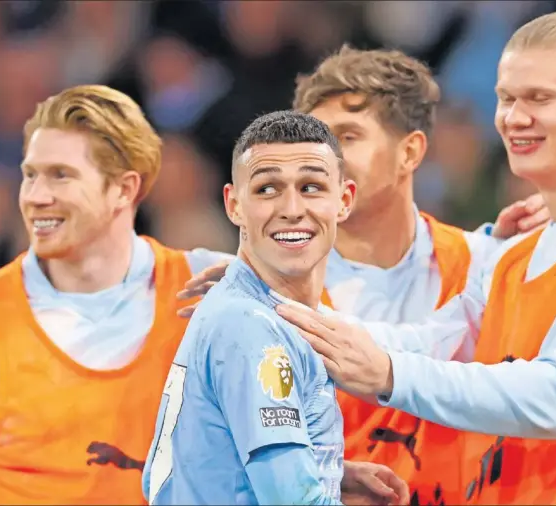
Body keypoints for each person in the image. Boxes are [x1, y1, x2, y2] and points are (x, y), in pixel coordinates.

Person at [178, 46, 551, 505]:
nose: (322, 158)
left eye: (347, 136)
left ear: (410, 151)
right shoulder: (251, 286)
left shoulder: (488, 265)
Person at [275, 11, 556, 505]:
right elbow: (436, 341)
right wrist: (281, 314)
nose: (513, 117)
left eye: (540, 98)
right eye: (505, 98)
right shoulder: (513, 256)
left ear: (412, 152)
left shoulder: (492, 252)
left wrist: (388, 374)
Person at [0, 85, 234, 505]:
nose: (36, 197)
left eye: (61, 175)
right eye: (30, 174)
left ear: (124, 189)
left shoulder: (208, 287)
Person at [143, 110, 407, 506]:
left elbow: (193, 462)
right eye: (267, 189)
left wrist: (328, 469)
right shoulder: (252, 328)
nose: (291, 208)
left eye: (311, 187)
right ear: (234, 205)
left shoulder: (250, 307)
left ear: (344, 200)